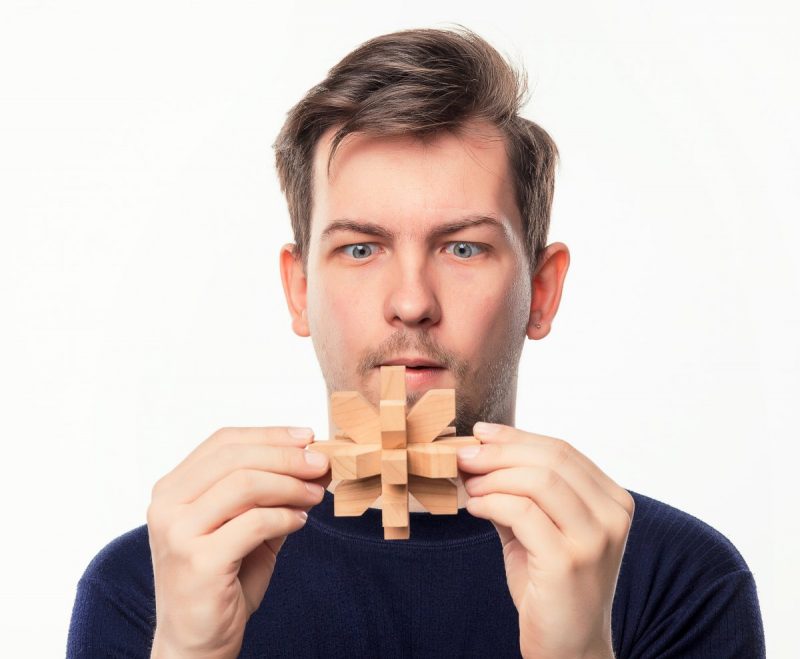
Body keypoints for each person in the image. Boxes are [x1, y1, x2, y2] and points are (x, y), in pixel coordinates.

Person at [67, 26, 766, 658]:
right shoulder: (151, 587)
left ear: (542, 291)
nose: (411, 302)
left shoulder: (683, 580)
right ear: (299, 290)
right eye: (360, 248)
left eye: (463, 248)